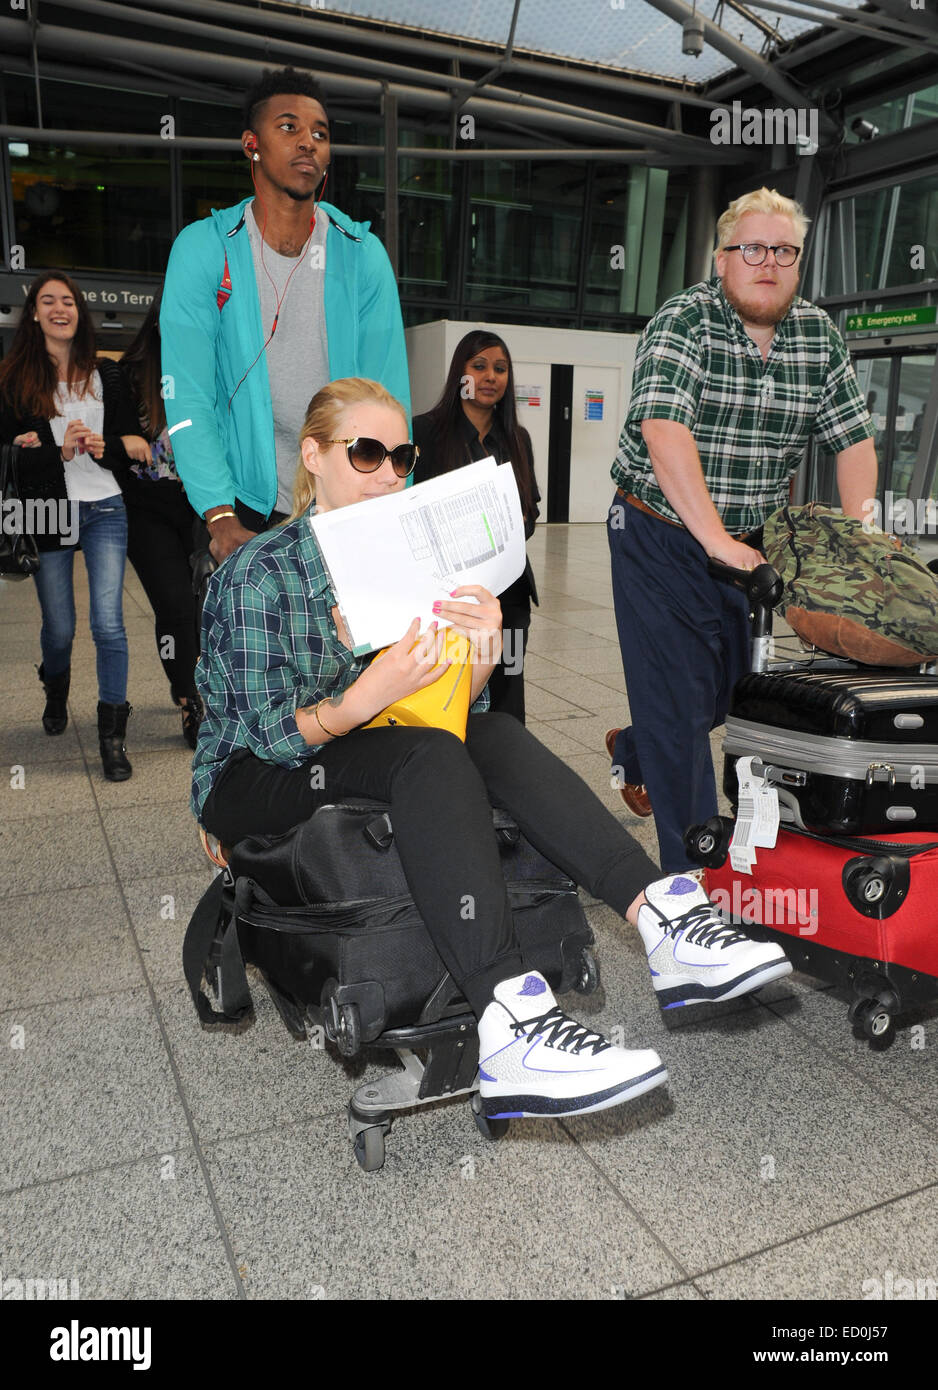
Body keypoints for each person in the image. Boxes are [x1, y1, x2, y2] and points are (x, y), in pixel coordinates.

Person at [192, 377, 791, 1122]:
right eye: (366, 453)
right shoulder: (261, 569)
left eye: (400, 457)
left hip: (370, 739)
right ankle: (511, 1022)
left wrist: (477, 653)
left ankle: (661, 918)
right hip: (252, 774)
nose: (388, 474)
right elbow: (266, 732)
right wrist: (364, 695)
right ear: (313, 456)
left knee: (496, 732)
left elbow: (452, 714)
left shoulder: (408, 564)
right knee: (425, 759)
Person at [606, 187, 877, 872]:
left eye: (784, 251)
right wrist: (715, 541)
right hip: (656, 532)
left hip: (746, 541)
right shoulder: (684, 321)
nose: (768, 262)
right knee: (678, 706)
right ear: (721, 258)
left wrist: (859, 538)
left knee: (735, 691)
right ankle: (699, 885)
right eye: (751, 248)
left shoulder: (818, 334)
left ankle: (635, 746)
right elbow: (663, 428)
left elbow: (852, 442)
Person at [160, 65, 410, 567]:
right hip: (241, 506)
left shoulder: (362, 254)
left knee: (345, 646)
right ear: (251, 144)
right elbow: (188, 395)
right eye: (289, 127)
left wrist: (391, 503)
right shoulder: (204, 250)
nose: (308, 143)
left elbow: (388, 396)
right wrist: (218, 514)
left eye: (320, 133)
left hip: (342, 498)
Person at [0, 271, 139, 781]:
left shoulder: (108, 374)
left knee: (109, 624)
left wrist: (112, 449)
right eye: (48, 301)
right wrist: (56, 452)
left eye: (68, 302)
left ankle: (112, 736)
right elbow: (8, 455)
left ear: (79, 312)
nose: (60, 309)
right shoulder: (14, 381)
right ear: (33, 314)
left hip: (105, 505)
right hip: (48, 507)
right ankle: (54, 687)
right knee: (59, 627)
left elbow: (135, 445)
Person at [413, 331, 540, 723]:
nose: (491, 377)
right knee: (450, 689)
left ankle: (507, 759)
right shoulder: (424, 432)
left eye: (500, 369)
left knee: (509, 689)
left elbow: (531, 514)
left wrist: (518, 523)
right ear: (459, 374)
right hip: (449, 594)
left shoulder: (517, 438)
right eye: (479, 366)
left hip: (510, 596)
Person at [120, 289, 204, 749]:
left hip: (199, 505)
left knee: (200, 604)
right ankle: (191, 701)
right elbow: (114, 438)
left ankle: (193, 683)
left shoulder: (207, 369)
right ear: (157, 322)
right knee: (173, 602)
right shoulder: (128, 375)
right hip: (146, 506)